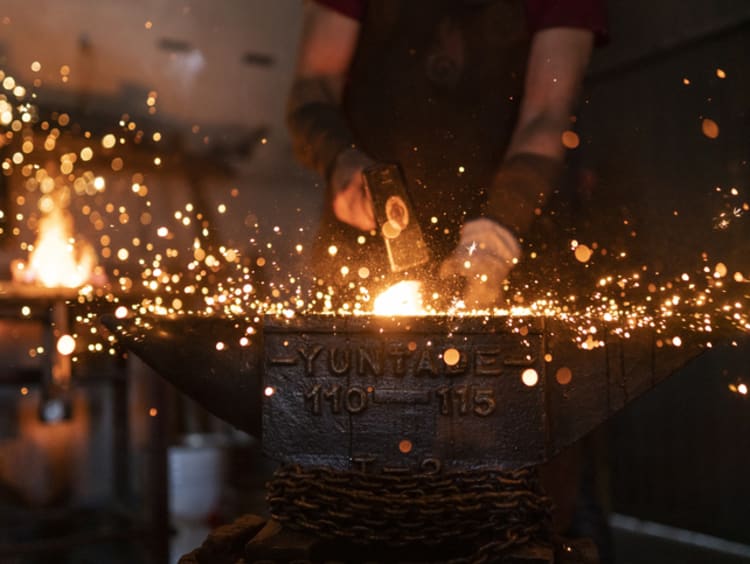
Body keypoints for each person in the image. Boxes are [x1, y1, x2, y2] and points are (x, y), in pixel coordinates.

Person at [287, 0, 607, 308]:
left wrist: (494, 239)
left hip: (510, 242)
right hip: (363, 244)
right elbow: (314, 86)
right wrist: (339, 157)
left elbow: (547, 115)